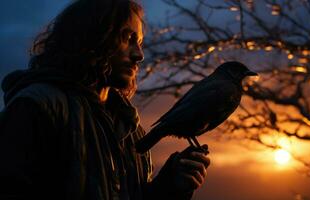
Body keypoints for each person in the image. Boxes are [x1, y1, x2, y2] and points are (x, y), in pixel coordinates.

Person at [0, 0, 210, 199]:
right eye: (127, 39)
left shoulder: (131, 129)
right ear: (93, 38)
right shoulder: (37, 107)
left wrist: (167, 188)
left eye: (139, 43)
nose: (139, 55)